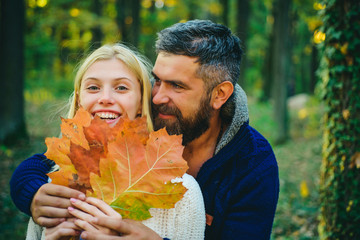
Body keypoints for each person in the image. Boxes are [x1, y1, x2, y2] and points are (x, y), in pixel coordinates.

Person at [10, 19, 279, 240]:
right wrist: (29, 189)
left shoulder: (253, 163)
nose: (158, 96)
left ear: (219, 94)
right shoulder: (147, 119)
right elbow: (56, 161)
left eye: (177, 85)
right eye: (157, 80)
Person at [12, 43, 205, 240]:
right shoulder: (51, 188)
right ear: (79, 100)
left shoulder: (183, 193)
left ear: (140, 102)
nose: (105, 98)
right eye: (93, 87)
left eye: (121, 87)